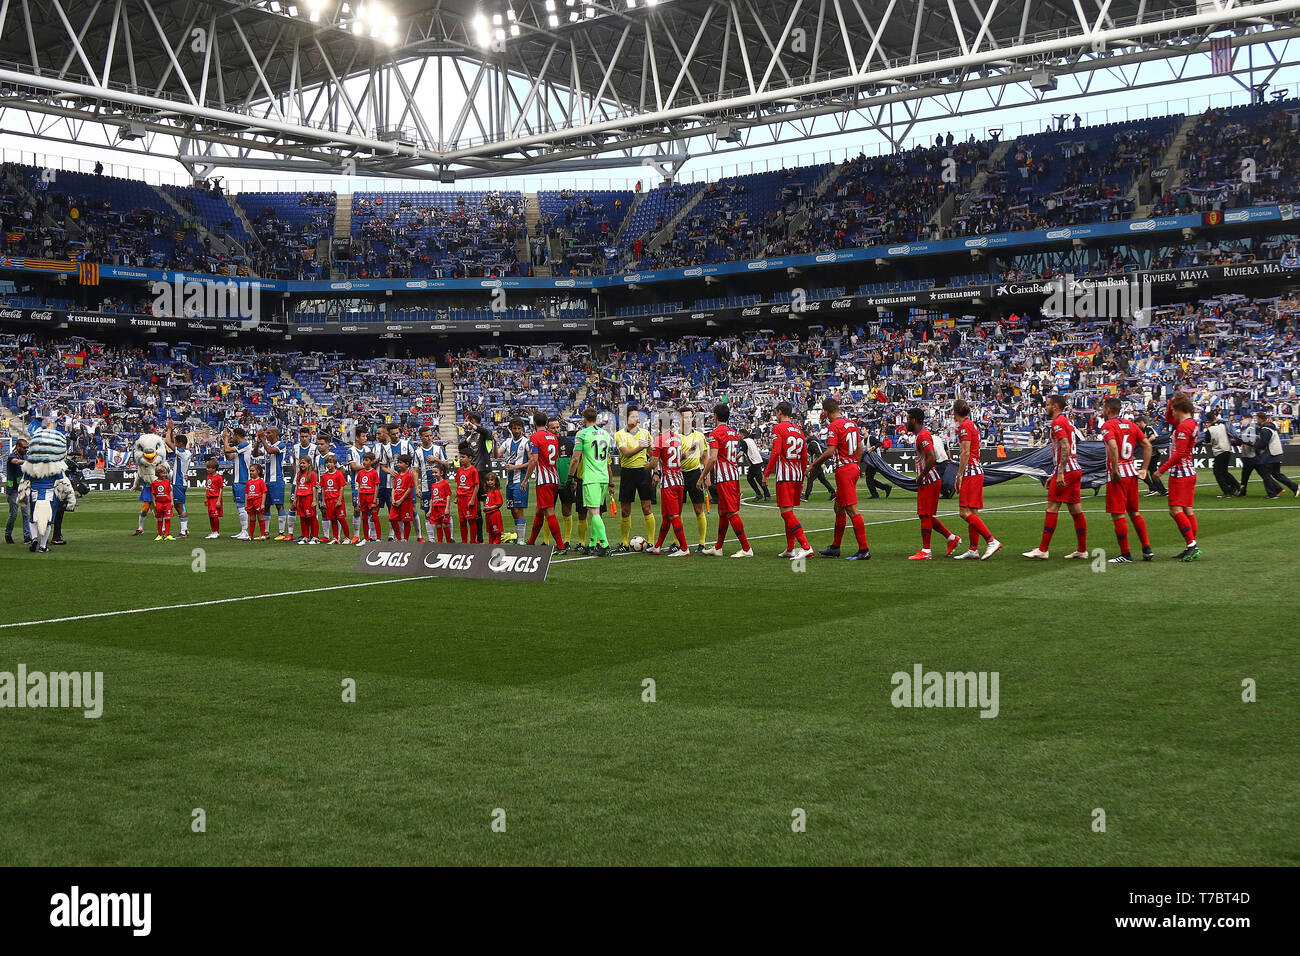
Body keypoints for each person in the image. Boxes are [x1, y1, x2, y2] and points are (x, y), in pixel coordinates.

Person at [1023, 395, 1088, 560]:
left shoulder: (1058, 422)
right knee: (1075, 510)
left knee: (1051, 508)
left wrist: (1059, 472)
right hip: (1075, 469)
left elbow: (1065, 446)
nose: (1045, 407)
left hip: (1066, 470)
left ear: (1056, 406)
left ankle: (1043, 549)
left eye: (1048, 405)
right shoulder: (1067, 422)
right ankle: (1082, 549)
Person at [1099, 397, 1154, 563]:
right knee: (1134, 513)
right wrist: (1144, 469)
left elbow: (1113, 447)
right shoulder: (1131, 425)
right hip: (1132, 474)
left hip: (1118, 476)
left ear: (1109, 410)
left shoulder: (1108, 426)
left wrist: (1115, 469)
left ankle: (1126, 554)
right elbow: (1148, 445)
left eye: (1103, 407)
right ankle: (1147, 549)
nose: (1102, 410)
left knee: (1118, 515)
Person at [903, 408, 960, 560]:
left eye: (908, 418)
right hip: (929, 480)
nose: (906, 421)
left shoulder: (922, 435)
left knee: (925, 514)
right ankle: (951, 538)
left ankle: (926, 550)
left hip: (929, 480)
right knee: (925, 516)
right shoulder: (921, 435)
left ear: (914, 420)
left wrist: (921, 476)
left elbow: (932, 457)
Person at [700, 403, 753, 557]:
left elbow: (713, 458)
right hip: (733, 475)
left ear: (715, 416)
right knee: (723, 512)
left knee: (730, 512)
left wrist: (703, 475)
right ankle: (718, 547)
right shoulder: (733, 432)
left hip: (725, 478)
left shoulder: (715, 434)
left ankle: (746, 548)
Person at [952, 400, 1001, 560]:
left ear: (955, 412)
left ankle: (991, 540)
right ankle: (973, 549)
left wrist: (959, 474)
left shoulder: (965, 427)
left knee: (964, 512)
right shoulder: (971, 424)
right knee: (972, 512)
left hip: (971, 471)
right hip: (976, 470)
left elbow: (965, 452)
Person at [764, 401, 813, 560]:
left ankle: (805, 546)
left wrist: (766, 473)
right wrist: (804, 472)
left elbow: (776, 452)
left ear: (779, 412)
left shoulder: (778, 428)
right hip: (797, 474)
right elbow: (805, 454)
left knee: (785, 513)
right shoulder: (798, 430)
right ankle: (791, 548)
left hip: (785, 475)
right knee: (788, 512)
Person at [1156, 392, 1201, 561]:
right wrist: (1171, 402)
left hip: (1180, 472)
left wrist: (1162, 469)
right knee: (1187, 509)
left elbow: (1180, 452)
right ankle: (1191, 544)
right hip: (1188, 471)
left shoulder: (1183, 427)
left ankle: (1191, 544)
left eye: (1174, 409)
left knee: (1175, 509)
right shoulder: (1190, 423)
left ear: (1180, 409)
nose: (1172, 412)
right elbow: (1168, 418)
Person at [523, 411, 567, 553]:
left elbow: (534, 460)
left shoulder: (535, 437)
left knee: (549, 512)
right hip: (554, 478)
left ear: (534, 423)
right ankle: (531, 541)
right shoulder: (553, 437)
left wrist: (525, 480)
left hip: (544, 479)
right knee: (539, 511)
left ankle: (561, 546)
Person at [571, 409, 613, 555]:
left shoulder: (582, 434)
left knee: (594, 512)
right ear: (596, 418)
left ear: (584, 418)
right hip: (603, 477)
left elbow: (576, 458)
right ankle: (592, 543)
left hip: (591, 478)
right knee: (596, 511)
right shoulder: (606, 434)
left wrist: (571, 476)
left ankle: (605, 545)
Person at [614, 410, 655, 554]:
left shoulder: (645, 433)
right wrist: (641, 446)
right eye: (633, 416)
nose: (637, 418)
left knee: (647, 508)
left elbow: (652, 454)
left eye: (638, 416)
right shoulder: (620, 434)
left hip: (643, 472)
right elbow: (626, 453)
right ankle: (624, 543)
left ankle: (651, 542)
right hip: (627, 472)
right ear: (626, 419)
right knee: (625, 510)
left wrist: (654, 470)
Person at [649, 414, 690, 556]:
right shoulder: (678, 439)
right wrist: (691, 450)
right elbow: (681, 457)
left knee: (673, 516)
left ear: (660, 424)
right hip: (680, 480)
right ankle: (658, 546)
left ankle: (684, 549)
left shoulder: (659, 440)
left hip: (669, 483)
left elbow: (654, 463)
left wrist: (646, 466)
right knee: (668, 516)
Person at [678, 407, 710, 553]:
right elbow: (676, 458)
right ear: (679, 419)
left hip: (695, 474)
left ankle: (702, 543)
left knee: (698, 509)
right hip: (679, 474)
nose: (688, 420)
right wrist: (690, 451)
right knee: (677, 511)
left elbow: (705, 457)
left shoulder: (699, 436)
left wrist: (707, 476)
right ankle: (676, 542)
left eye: (690, 417)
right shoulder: (675, 437)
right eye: (685, 417)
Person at [1253, 410, 1298, 499]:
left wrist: (1255, 445)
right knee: (1277, 474)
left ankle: (1272, 493)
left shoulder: (1265, 429)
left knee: (1265, 473)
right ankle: (1295, 487)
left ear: (1261, 419)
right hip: (1277, 452)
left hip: (1271, 454)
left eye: (1257, 419)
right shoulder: (1270, 427)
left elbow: (1263, 443)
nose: (1256, 421)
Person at [464, 412, 494, 543]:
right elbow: (462, 448)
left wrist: (473, 426)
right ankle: (480, 538)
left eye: (467, 420)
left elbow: (487, 432)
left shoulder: (485, 433)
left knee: (488, 506)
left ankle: (494, 536)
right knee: (476, 509)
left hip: (484, 473)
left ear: (471, 420)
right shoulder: (470, 435)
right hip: (472, 474)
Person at [221, 426, 254, 540]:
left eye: (233, 436)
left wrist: (225, 439)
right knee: (239, 506)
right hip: (237, 480)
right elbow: (229, 456)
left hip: (243, 479)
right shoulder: (240, 448)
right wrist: (225, 445)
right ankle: (243, 530)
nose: (232, 438)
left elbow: (227, 449)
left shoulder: (244, 445)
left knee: (242, 506)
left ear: (237, 436)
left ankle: (245, 531)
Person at [500, 418, 530, 543]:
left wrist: (515, 467)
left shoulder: (527, 442)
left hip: (521, 480)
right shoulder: (507, 442)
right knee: (513, 509)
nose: (517, 431)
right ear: (510, 429)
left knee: (518, 509)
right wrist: (495, 441)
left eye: (519, 428)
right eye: (514, 428)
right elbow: (496, 455)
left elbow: (532, 461)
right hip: (510, 481)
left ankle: (521, 539)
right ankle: (518, 536)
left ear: (522, 429)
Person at [256, 426, 288, 540]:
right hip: (267, 481)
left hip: (277, 480)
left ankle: (281, 533)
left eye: (269, 433)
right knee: (266, 507)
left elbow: (270, 451)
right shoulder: (266, 446)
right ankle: (266, 532)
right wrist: (257, 442)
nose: (267, 435)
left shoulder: (281, 445)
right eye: (266, 433)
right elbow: (255, 454)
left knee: (279, 505)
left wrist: (263, 439)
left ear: (275, 434)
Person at [1201, 410, 1241, 498]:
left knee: (1218, 473)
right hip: (1227, 449)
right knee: (1224, 472)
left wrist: (1203, 442)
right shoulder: (1223, 425)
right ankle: (1237, 486)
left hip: (1219, 451)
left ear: (1208, 420)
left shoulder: (1210, 430)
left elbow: (1207, 441)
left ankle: (1227, 492)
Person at [163, 422, 193, 539]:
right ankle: (185, 529)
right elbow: (170, 441)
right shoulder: (186, 452)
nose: (174, 444)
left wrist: (169, 429)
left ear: (180, 444)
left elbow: (167, 442)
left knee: (179, 506)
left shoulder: (182, 453)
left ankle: (183, 531)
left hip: (179, 483)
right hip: (181, 482)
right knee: (179, 505)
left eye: (176, 442)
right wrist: (171, 431)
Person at [320, 454, 350, 544]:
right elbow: (323, 489)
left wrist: (340, 500)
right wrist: (323, 501)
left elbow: (341, 487)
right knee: (333, 520)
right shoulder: (324, 476)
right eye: (327, 462)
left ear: (335, 464)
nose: (328, 464)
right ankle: (335, 538)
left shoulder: (339, 474)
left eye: (330, 462)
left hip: (337, 500)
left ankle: (347, 538)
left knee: (341, 519)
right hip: (329, 500)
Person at [5, 437, 29, 545]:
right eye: (24, 447)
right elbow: (16, 462)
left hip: (23, 489)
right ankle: (8, 534)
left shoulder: (25, 456)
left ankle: (27, 536)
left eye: (27, 447)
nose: (26, 449)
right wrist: (28, 461)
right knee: (13, 514)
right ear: (18, 446)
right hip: (13, 489)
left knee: (26, 514)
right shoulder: (12, 456)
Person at [456, 443, 481, 544]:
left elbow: (476, 486)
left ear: (470, 458)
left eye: (463, 457)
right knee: (462, 521)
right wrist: (456, 497)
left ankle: (472, 541)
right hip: (461, 498)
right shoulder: (459, 470)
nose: (461, 459)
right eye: (460, 457)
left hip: (469, 497)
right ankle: (464, 542)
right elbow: (458, 484)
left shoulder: (473, 470)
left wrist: (472, 499)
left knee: (471, 520)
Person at [292, 455, 320, 545]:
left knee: (311, 517)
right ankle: (305, 536)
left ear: (309, 464)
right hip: (300, 497)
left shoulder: (312, 474)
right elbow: (297, 486)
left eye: (304, 463)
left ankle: (315, 537)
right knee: (303, 517)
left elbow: (314, 487)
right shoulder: (299, 474)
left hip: (308, 497)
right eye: (300, 463)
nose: (302, 465)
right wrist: (295, 498)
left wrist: (314, 500)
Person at [355, 452, 381, 544]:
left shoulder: (374, 472)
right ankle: (366, 538)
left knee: (374, 517)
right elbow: (359, 486)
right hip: (362, 497)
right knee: (364, 518)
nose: (364, 462)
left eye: (367, 460)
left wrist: (374, 500)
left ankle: (378, 538)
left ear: (371, 461)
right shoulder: (361, 472)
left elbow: (376, 486)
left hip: (371, 497)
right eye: (364, 460)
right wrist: (358, 500)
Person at [739, 427, 770, 502]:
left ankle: (766, 494)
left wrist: (733, 459)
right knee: (750, 478)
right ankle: (760, 494)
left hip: (754, 462)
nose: (738, 436)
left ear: (742, 434)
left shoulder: (744, 441)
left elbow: (741, 453)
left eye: (739, 434)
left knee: (758, 479)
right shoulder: (750, 440)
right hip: (756, 461)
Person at [390, 454, 416, 541]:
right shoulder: (398, 475)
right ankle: (398, 538)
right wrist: (393, 499)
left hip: (405, 501)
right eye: (398, 462)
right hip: (395, 501)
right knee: (392, 519)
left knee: (406, 520)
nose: (398, 464)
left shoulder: (409, 475)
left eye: (400, 463)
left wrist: (400, 500)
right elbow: (394, 488)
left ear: (407, 464)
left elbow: (409, 489)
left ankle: (405, 539)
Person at [427, 461, 452, 543]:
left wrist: (447, 508)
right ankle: (440, 542)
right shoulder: (433, 485)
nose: (434, 474)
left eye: (435, 472)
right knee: (438, 526)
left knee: (445, 525)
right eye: (433, 473)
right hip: (435, 508)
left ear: (441, 473)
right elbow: (432, 498)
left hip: (442, 507)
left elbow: (448, 495)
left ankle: (448, 542)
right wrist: (430, 510)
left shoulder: (445, 483)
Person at [245, 464, 269, 540]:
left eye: (253, 471)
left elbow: (264, 493)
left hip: (258, 502)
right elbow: (246, 493)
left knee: (260, 518)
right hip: (250, 502)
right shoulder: (248, 482)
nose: (251, 472)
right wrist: (246, 504)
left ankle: (262, 535)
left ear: (258, 471)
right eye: (250, 471)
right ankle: (250, 535)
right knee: (252, 518)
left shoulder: (261, 481)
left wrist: (262, 504)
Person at [151, 464, 175, 541]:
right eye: (163, 473)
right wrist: (154, 503)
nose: (165, 475)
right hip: (159, 503)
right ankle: (159, 534)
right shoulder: (154, 483)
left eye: (165, 473)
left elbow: (170, 491)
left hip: (167, 503)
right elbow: (153, 494)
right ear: (158, 474)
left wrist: (172, 501)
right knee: (160, 519)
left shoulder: (167, 482)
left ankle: (167, 534)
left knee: (168, 518)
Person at [203, 457, 224, 539]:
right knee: (211, 516)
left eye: (209, 468)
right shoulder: (208, 477)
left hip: (215, 498)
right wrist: (206, 498)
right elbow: (207, 488)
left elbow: (221, 489)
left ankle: (216, 532)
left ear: (214, 469)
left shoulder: (219, 477)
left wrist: (219, 501)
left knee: (215, 516)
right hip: (210, 498)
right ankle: (213, 531)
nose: (207, 469)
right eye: (207, 468)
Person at [483, 472, 504, 545]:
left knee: (496, 530)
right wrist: (485, 508)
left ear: (496, 481)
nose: (490, 482)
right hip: (488, 514)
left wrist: (490, 508)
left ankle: (497, 541)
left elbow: (499, 504)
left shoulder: (496, 492)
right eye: (488, 480)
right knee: (490, 530)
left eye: (492, 480)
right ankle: (491, 542)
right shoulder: (489, 492)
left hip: (494, 514)